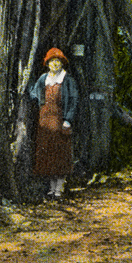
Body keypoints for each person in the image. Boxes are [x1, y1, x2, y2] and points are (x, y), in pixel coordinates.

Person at [29, 47, 79, 199]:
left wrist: (68, 120)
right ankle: (51, 189)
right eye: (52, 62)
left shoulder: (67, 80)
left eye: (58, 62)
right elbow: (33, 92)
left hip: (60, 121)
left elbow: (73, 100)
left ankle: (59, 189)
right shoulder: (43, 79)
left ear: (62, 64)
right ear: (47, 63)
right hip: (44, 121)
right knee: (48, 154)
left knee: (61, 155)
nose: (55, 64)